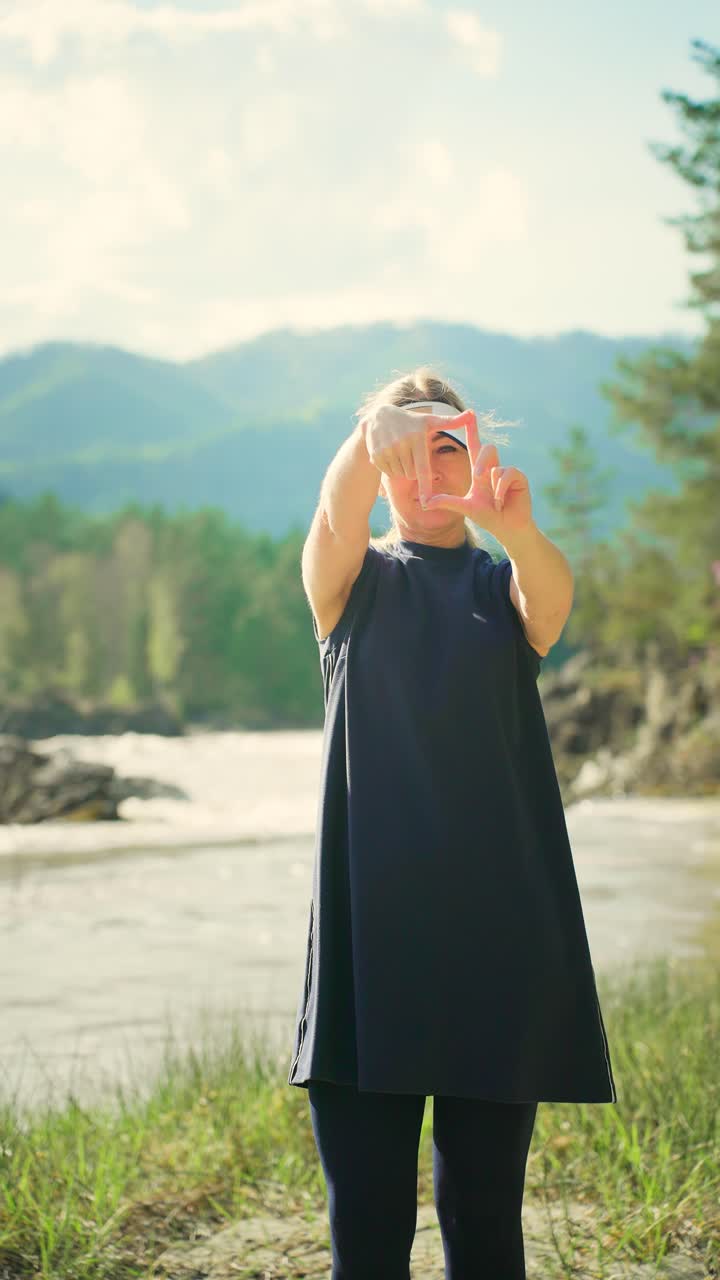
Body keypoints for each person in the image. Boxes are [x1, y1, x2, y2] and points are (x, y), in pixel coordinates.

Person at [287, 368, 617, 1279]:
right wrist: (371, 432)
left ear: (477, 454)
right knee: (369, 1229)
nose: (424, 471)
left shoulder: (501, 581)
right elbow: (332, 513)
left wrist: (515, 526)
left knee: (484, 1225)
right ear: (378, 469)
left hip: (497, 939)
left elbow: (550, 604)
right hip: (370, 940)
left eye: (448, 448)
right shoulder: (346, 581)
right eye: (403, 454)